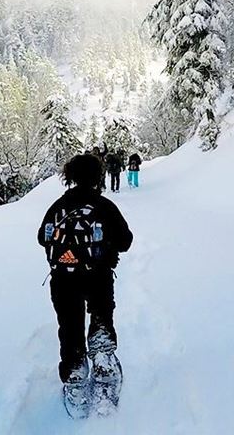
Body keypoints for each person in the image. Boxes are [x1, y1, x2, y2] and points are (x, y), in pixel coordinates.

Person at [38, 154, 133, 389]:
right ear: (97, 177)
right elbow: (125, 241)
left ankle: (74, 373)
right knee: (101, 315)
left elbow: (42, 238)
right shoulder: (105, 206)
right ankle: (103, 363)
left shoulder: (58, 206)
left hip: (62, 278)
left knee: (69, 325)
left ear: (70, 176)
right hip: (98, 275)